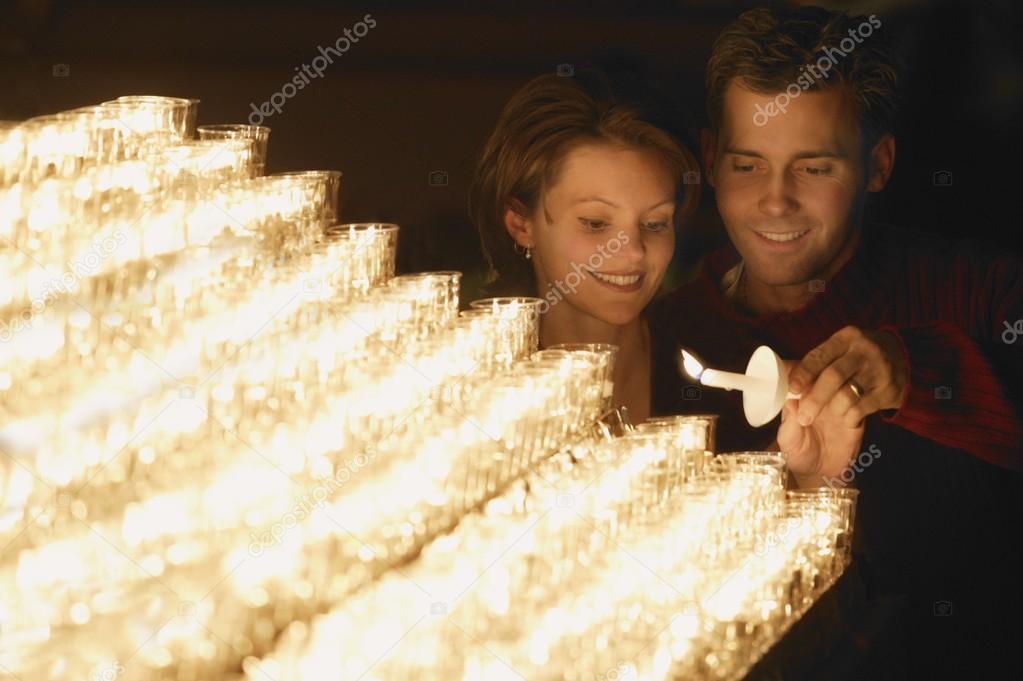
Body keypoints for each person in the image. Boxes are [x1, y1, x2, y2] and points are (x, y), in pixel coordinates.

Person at [648, 6, 1023, 678]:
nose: (774, 201)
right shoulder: (668, 335)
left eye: (813, 168)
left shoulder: (977, 290)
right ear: (709, 160)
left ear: (875, 164)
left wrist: (919, 372)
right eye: (746, 165)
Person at [470, 67, 700, 421]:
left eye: (655, 223)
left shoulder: (714, 360)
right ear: (521, 224)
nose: (634, 251)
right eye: (596, 223)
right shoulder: (468, 382)